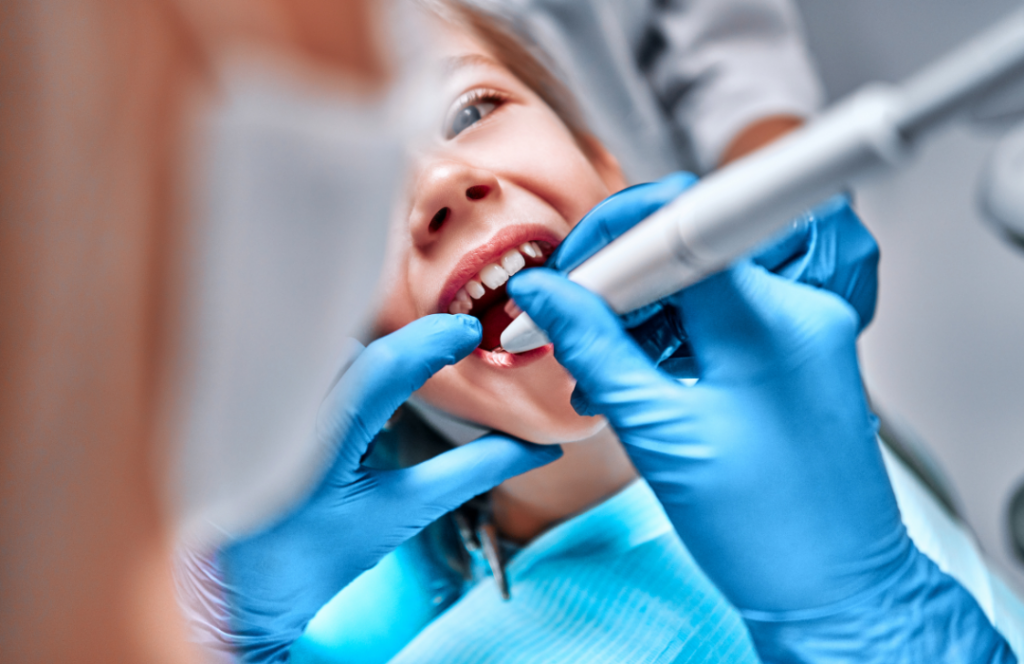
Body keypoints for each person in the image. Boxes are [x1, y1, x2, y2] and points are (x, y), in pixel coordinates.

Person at [181, 3, 1021, 662]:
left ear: (602, 159)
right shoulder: (359, 623)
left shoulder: (819, 462)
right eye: (353, 198)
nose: (443, 180)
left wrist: (778, 180)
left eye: (472, 109)